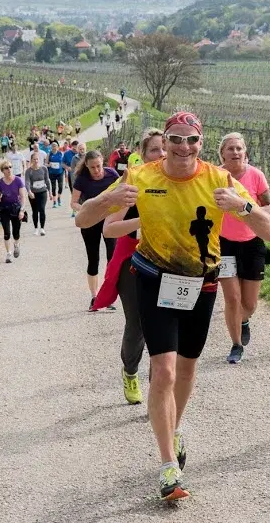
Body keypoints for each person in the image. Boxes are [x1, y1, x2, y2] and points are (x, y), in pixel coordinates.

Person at [74, 112, 270, 501]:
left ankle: (174, 427)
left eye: (192, 140)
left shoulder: (219, 179)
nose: (184, 147)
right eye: (176, 139)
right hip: (152, 279)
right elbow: (85, 218)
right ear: (164, 141)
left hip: (201, 284)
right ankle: (168, 466)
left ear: (202, 143)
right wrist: (110, 198)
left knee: (186, 370)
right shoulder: (141, 176)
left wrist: (242, 206)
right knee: (163, 371)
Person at [94, 128, 165, 406]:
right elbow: (109, 229)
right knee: (137, 325)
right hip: (133, 262)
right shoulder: (132, 182)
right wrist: (143, 224)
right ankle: (130, 371)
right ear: (143, 154)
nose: (160, 154)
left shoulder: (182, 181)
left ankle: (157, 391)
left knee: (163, 327)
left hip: (169, 261)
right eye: (154, 149)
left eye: (164, 148)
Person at [217, 133, 270, 364]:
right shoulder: (215, 176)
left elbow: (269, 206)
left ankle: (243, 320)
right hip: (223, 244)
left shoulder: (256, 176)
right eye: (230, 148)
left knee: (249, 304)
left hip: (252, 242)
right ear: (221, 154)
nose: (235, 152)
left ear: (246, 153)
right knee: (232, 298)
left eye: (239, 148)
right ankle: (236, 344)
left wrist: (266, 217)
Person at [71, 150, 120, 310]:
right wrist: (87, 209)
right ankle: (94, 297)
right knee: (93, 259)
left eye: (99, 166)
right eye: (93, 167)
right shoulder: (82, 179)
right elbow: (74, 203)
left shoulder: (112, 174)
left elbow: (121, 192)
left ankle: (108, 297)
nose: (97, 170)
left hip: (109, 222)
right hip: (90, 222)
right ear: (87, 165)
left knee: (112, 258)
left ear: (103, 162)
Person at [0, 161, 28, 263]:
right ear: (3, 170)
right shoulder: (0, 183)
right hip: (4, 209)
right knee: (7, 232)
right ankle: (8, 254)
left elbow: (23, 197)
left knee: (16, 232)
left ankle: (16, 244)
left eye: (10, 167)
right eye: (6, 168)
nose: (9, 169)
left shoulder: (18, 180)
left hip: (16, 208)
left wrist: (22, 210)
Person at [24, 153, 49, 236]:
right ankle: (35, 228)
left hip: (43, 192)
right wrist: (29, 191)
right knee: (35, 211)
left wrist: (51, 192)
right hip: (33, 193)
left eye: (37, 159)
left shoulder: (44, 169)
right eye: (34, 159)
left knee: (42, 209)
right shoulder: (28, 171)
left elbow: (47, 180)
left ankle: (42, 228)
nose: (36, 161)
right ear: (31, 160)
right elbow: (27, 182)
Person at [46, 140, 64, 207]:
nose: (54, 147)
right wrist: (49, 165)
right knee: (53, 187)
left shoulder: (61, 153)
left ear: (58, 147)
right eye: (53, 146)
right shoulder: (49, 154)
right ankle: (54, 201)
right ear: (51, 147)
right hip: (52, 173)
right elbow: (45, 163)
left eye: (55, 146)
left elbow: (63, 162)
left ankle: (59, 198)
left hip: (60, 172)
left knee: (60, 187)